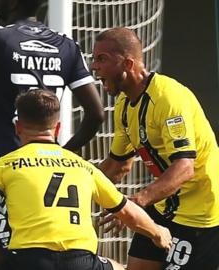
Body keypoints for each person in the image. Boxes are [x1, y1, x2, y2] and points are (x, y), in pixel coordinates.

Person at [0, 0, 104, 267]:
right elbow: (96, 114)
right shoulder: (66, 45)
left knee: (9, 250)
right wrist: (64, 154)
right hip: (54, 168)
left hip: (10, 164)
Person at [0, 89, 171, 270]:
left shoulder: (3, 166)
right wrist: (158, 233)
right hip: (80, 263)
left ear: (18, 127)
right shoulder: (84, 167)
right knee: (119, 267)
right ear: (57, 128)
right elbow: (127, 212)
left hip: (28, 263)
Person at [91, 27, 219, 270]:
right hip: (161, 207)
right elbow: (117, 165)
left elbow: (184, 167)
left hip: (200, 217)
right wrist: (78, 184)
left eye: (102, 59)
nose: (94, 66)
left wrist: (137, 201)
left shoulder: (169, 98)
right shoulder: (124, 106)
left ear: (128, 63)